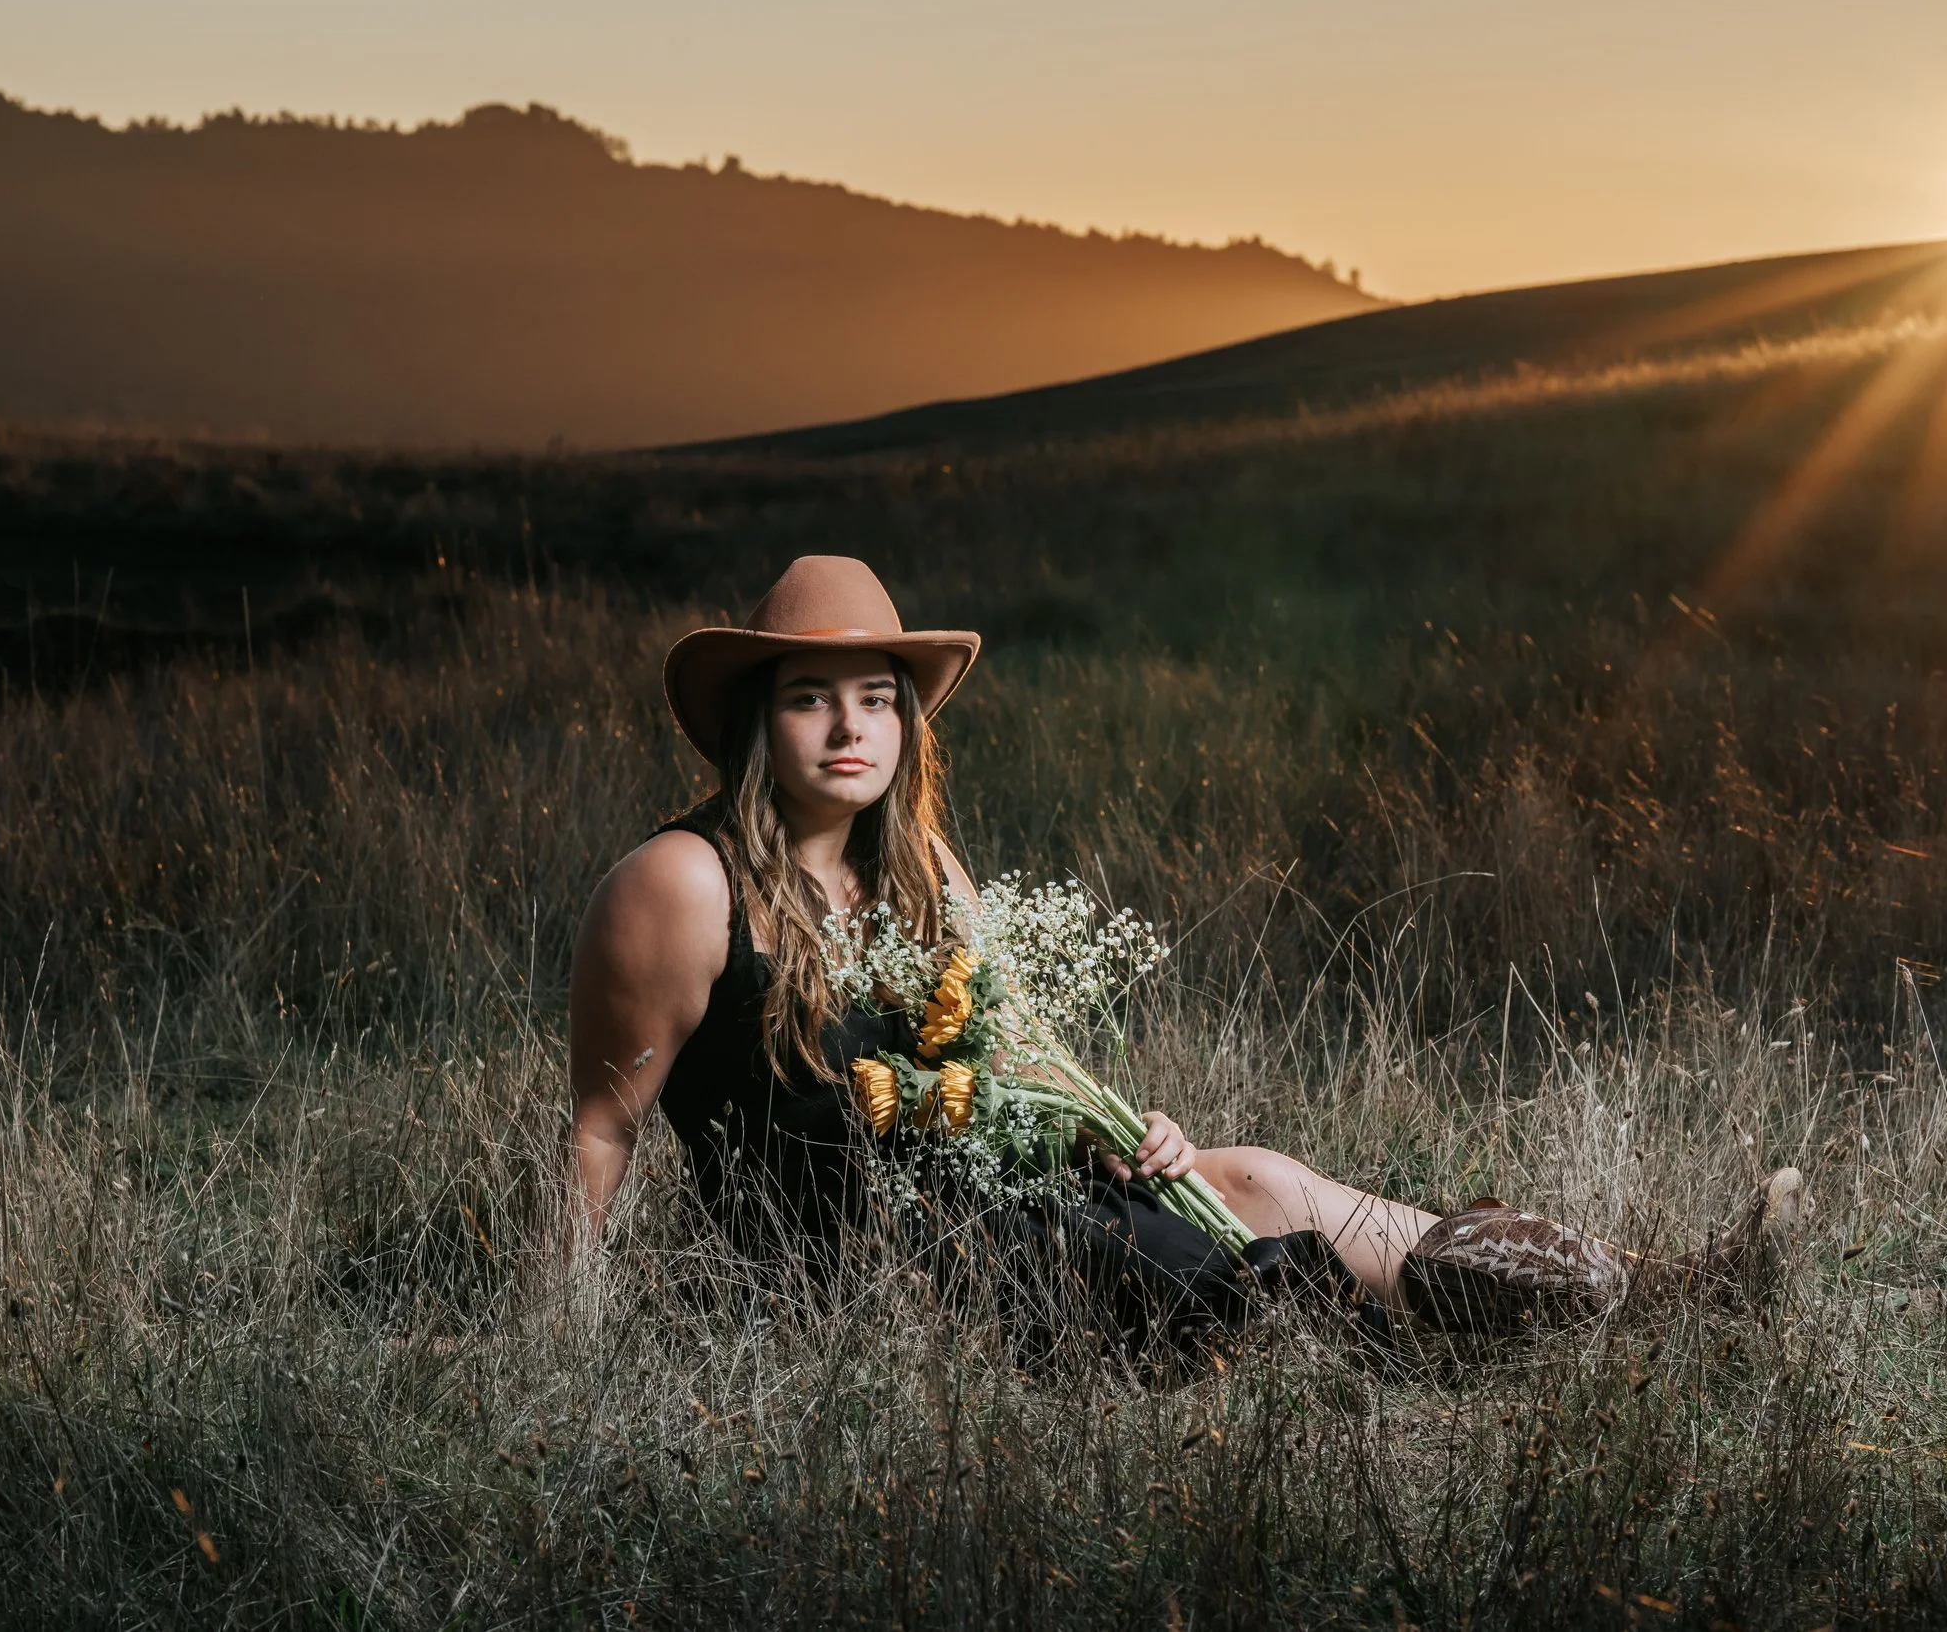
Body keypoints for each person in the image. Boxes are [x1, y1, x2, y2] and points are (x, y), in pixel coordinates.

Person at [568, 556, 1802, 1353]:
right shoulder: (682, 882)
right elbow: (601, 1128)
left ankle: (1663, 1292)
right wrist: (555, 1328)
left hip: (996, 1202)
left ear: (906, 717)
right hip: (872, 1279)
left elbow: (1020, 1064)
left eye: (877, 696)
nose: (850, 726)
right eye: (809, 696)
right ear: (756, 718)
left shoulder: (928, 872)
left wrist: (1121, 1127)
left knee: (1252, 1176)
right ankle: (1497, 1332)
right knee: (1247, 1297)